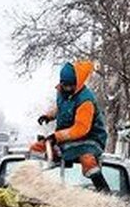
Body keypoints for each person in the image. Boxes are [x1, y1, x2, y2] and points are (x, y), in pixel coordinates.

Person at [32, 60, 111, 192]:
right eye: (65, 85)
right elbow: (62, 108)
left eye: (71, 86)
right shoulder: (62, 92)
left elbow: (81, 128)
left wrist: (56, 137)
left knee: (87, 159)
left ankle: (104, 194)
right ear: (61, 83)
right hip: (68, 139)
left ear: (77, 83)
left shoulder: (86, 100)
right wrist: (49, 116)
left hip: (90, 139)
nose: (68, 89)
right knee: (37, 148)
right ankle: (29, 181)